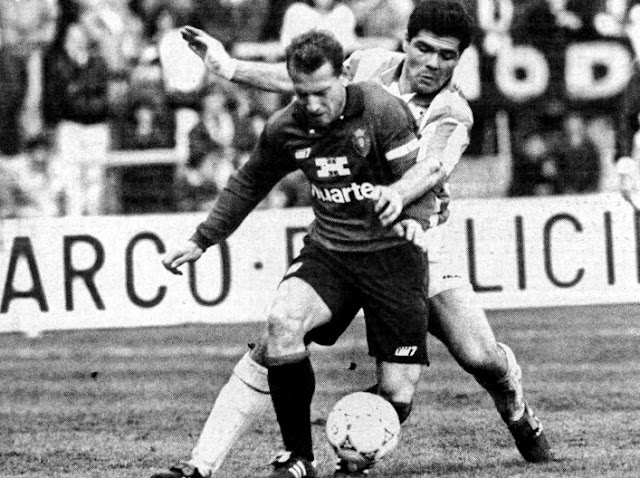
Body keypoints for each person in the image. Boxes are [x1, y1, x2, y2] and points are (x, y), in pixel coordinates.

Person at [151, 2, 551, 477]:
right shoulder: (366, 64)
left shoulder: (451, 111)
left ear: (459, 59)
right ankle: (207, 464)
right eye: (423, 48)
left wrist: (397, 195)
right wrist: (228, 67)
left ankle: (517, 410)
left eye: (446, 55)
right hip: (341, 244)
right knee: (278, 333)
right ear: (406, 41)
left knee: (479, 358)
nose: (431, 63)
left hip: (416, 244)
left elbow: (434, 166)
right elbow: (303, 83)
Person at [161, 29, 437, 478]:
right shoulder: (287, 127)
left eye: (322, 93)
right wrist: (201, 239)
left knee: (398, 395)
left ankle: (353, 453)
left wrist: (415, 218)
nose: (311, 104)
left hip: (394, 259)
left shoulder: (383, 111)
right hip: (332, 253)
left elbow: (423, 178)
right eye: (301, 93)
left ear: (343, 77)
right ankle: (298, 457)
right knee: (282, 323)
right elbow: (248, 184)